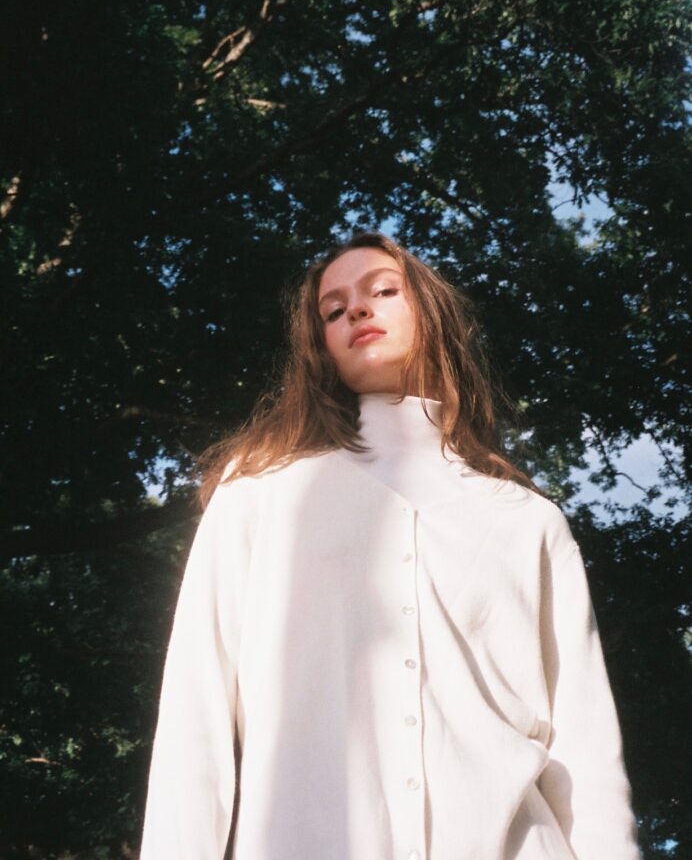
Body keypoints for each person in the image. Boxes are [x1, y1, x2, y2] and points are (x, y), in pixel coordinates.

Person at [140, 231, 642, 860]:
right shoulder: (261, 494)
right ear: (319, 343)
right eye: (333, 308)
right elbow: (196, 715)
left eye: (382, 290)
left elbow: (585, 744)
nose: (356, 309)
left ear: (431, 314)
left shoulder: (528, 521)